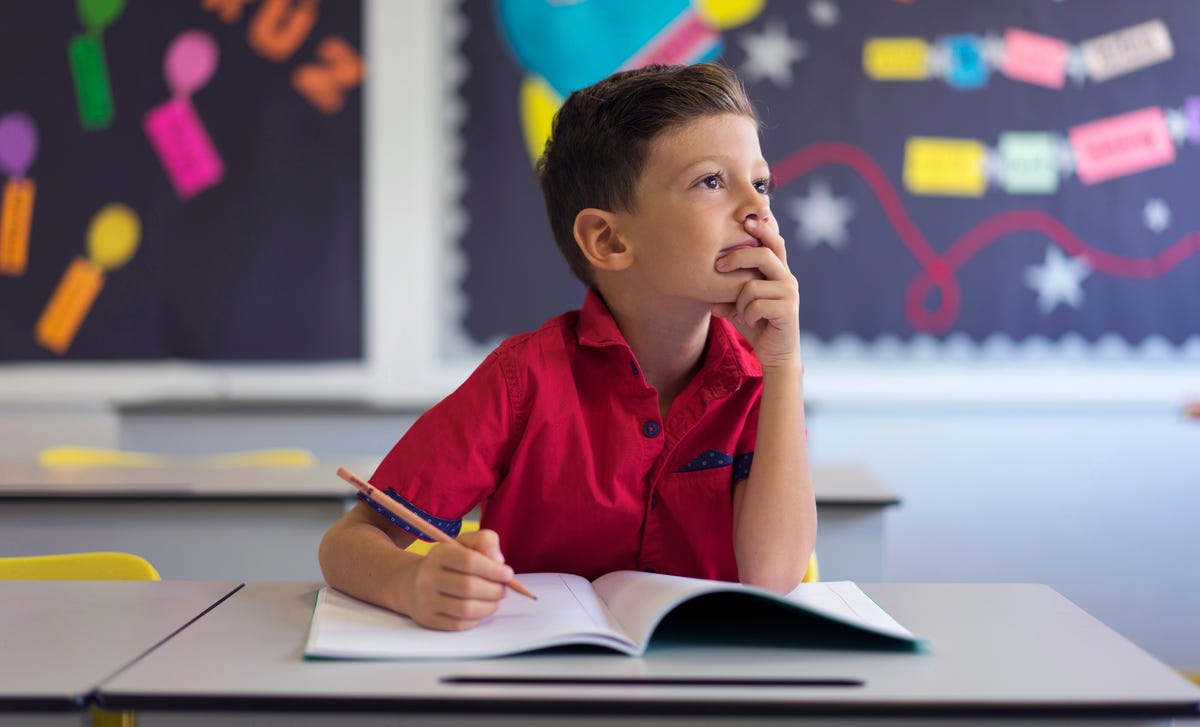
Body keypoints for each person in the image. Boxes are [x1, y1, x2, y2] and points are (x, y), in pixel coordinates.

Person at [319, 62, 816, 631]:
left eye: (759, 183)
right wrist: (411, 583)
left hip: (705, 684)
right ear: (608, 239)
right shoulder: (521, 379)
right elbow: (348, 543)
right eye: (710, 181)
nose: (757, 210)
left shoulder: (759, 378)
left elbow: (774, 576)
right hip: (541, 680)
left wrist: (782, 364)